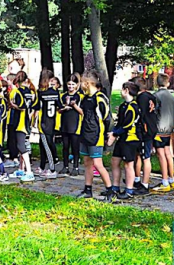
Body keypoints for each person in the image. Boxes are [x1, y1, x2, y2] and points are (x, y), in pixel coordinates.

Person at [75, 70, 113, 199]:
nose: (80, 85)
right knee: (87, 162)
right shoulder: (85, 98)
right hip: (85, 134)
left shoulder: (100, 98)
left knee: (98, 163)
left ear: (87, 83)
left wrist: (108, 135)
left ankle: (110, 190)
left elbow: (107, 118)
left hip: (96, 135)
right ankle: (88, 189)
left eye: (81, 82)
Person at [107, 82, 142, 200]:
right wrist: (114, 132)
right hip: (122, 139)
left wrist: (114, 134)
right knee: (115, 161)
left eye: (122, 89)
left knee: (128, 165)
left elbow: (127, 125)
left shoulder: (133, 107)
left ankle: (129, 190)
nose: (121, 91)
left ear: (126, 90)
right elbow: (119, 122)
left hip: (131, 140)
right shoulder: (123, 106)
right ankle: (115, 188)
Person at [132, 76, 158, 195]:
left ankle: (145, 184)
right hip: (149, 129)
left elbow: (140, 115)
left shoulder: (142, 98)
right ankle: (137, 179)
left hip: (145, 131)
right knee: (138, 155)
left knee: (145, 157)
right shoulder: (150, 96)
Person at [8, 71, 36, 182]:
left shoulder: (18, 92)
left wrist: (13, 104)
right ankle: (21, 169)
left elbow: (21, 106)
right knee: (21, 145)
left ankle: (29, 171)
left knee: (21, 146)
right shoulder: (29, 91)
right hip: (26, 121)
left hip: (20, 122)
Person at [152, 74, 174, 192]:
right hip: (169, 129)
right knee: (168, 153)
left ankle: (164, 181)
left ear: (157, 83)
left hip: (158, 130)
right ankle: (172, 179)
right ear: (168, 83)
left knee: (161, 154)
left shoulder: (156, 96)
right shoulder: (173, 98)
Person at [58, 73, 83, 176]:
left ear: (77, 85)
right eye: (69, 84)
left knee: (75, 147)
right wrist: (64, 108)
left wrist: (74, 105)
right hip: (65, 124)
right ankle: (65, 166)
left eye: (73, 84)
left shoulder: (80, 96)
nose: (71, 87)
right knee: (65, 146)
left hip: (75, 124)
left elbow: (82, 111)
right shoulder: (63, 96)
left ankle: (76, 167)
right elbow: (59, 110)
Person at [36, 70, 60, 179]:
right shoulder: (55, 92)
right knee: (44, 144)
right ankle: (42, 166)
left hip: (44, 123)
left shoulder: (41, 93)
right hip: (52, 122)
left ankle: (52, 169)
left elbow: (36, 107)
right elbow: (60, 105)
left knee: (46, 146)